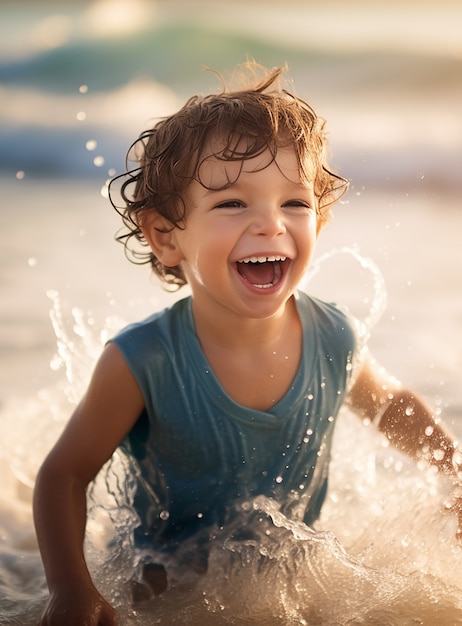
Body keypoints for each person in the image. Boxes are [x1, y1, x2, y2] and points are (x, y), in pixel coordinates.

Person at [33, 63, 462, 626]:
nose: (271, 225)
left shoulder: (332, 337)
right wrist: (73, 591)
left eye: (295, 203)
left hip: (286, 573)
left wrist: (452, 468)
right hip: (162, 582)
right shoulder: (144, 361)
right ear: (166, 236)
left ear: (321, 219)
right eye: (233, 204)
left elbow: (390, 406)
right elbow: (64, 475)